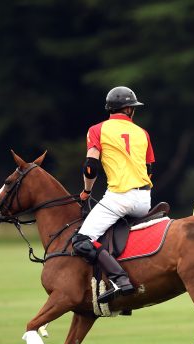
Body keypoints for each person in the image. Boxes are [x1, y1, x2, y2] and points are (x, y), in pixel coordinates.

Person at [72, 86, 155, 301]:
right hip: (145, 200)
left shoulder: (97, 130)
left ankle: (120, 280)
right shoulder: (142, 133)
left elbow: (91, 165)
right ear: (129, 109)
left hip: (120, 197)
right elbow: (149, 169)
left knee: (82, 240)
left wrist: (86, 191)